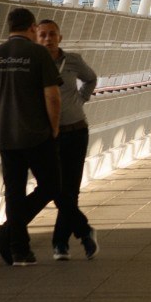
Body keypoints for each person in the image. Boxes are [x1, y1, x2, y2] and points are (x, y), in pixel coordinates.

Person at [0, 5, 65, 266]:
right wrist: (54, 127)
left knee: (14, 193)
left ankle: (19, 250)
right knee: (52, 185)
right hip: (36, 133)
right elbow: (52, 96)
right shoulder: (38, 54)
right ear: (32, 28)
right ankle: (8, 231)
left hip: (6, 135)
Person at [36, 19, 100, 262]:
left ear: (60, 37)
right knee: (56, 188)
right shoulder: (34, 63)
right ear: (35, 37)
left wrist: (80, 100)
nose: (47, 39)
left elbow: (91, 79)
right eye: (42, 35)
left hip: (76, 130)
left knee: (70, 189)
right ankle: (84, 231)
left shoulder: (72, 60)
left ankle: (60, 243)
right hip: (49, 134)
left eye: (52, 34)